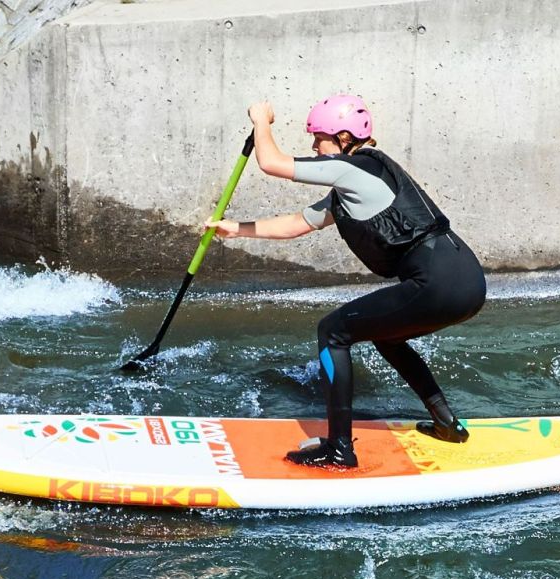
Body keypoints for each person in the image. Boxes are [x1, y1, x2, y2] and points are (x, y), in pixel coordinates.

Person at [207, 95, 488, 469]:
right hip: (466, 281)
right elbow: (296, 224)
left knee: (333, 331)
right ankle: (446, 423)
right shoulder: (355, 184)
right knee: (386, 335)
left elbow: (271, 163)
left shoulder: (353, 170)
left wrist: (261, 121)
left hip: (439, 282)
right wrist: (237, 230)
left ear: (342, 138)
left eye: (318, 137)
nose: (313, 146)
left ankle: (339, 449)